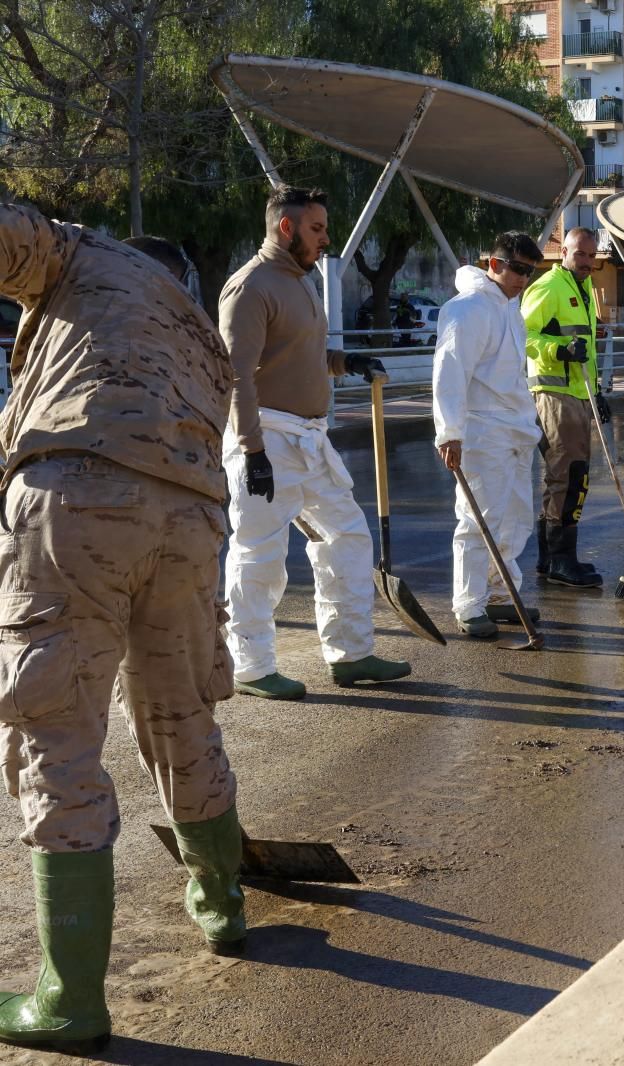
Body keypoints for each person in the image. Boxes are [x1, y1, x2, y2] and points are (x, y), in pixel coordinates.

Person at [0, 208, 248, 1052]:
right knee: (182, 714)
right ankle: (221, 904)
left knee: (57, 726)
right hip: (193, 517)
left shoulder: (81, 252)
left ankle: (69, 999)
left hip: (79, 497)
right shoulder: (206, 346)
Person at [220, 185, 409, 700]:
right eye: (317, 229)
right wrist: (252, 450)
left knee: (348, 538)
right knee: (259, 556)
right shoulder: (250, 288)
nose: (326, 239)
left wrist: (347, 362)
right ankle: (252, 666)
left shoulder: (301, 281)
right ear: (287, 228)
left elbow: (301, 353)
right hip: (269, 439)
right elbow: (236, 376)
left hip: (310, 440)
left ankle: (351, 653)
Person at [433, 231, 544, 638]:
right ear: (493, 265)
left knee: (514, 519)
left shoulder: (509, 309)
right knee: (478, 519)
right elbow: (450, 371)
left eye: (530, 272)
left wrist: (530, 424)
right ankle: (469, 603)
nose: (523, 279)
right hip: (482, 431)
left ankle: (500, 594)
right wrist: (450, 433)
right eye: (517, 269)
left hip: (514, 431)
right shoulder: (468, 309)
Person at [523, 227, 606, 588]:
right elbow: (522, 335)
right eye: (580, 254)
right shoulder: (548, 287)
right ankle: (559, 558)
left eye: (591, 255)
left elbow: (585, 348)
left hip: (578, 393)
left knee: (566, 476)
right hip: (553, 393)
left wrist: (596, 392)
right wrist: (558, 350)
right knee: (569, 474)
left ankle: (551, 557)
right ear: (564, 253)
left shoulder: (584, 289)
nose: (587, 262)